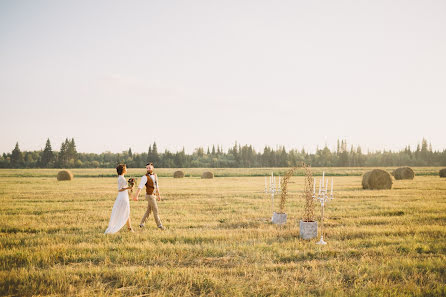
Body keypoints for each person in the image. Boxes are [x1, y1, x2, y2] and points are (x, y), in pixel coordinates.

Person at [133, 162, 165, 230]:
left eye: (149, 168)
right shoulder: (145, 177)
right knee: (155, 210)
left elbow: (157, 186)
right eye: (147, 168)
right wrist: (136, 196)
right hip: (149, 196)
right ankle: (159, 225)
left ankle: (142, 223)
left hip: (153, 195)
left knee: (148, 210)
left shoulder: (155, 175)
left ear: (152, 168)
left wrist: (158, 195)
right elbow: (140, 187)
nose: (148, 169)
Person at [104, 164, 134, 234]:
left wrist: (130, 187)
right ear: (123, 170)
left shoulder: (122, 177)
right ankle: (129, 228)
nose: (127, 169)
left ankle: (129, 228)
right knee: (126, 212)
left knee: (126, 212)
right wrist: (128, 188)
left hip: (124, 196)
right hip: (123, 197)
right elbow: (120, 189)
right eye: (126, 168)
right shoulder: (121, 178)